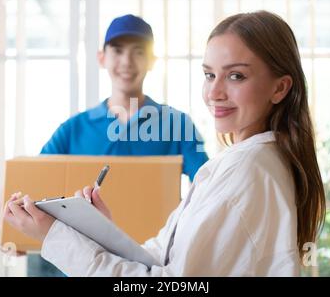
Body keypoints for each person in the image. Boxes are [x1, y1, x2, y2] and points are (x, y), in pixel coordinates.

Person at [4, 10, 326, 276]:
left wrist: (54, 237)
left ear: (280, 88)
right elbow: (167, 257)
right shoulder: (73, 128)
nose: (213, 93)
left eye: (236, 76)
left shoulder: (234, 165)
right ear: (102, 57)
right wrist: (98, 232)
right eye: (209, 75)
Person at [26, 14, 209, 276]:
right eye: (118, 50)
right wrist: (18, 232)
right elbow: (34, 186)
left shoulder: (177, 124)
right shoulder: (74, 128)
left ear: (152, 61)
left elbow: (207, 188)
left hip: (148, 264)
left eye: (138, 52)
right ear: (102, 57)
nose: (127, 61)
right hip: (85, 264)